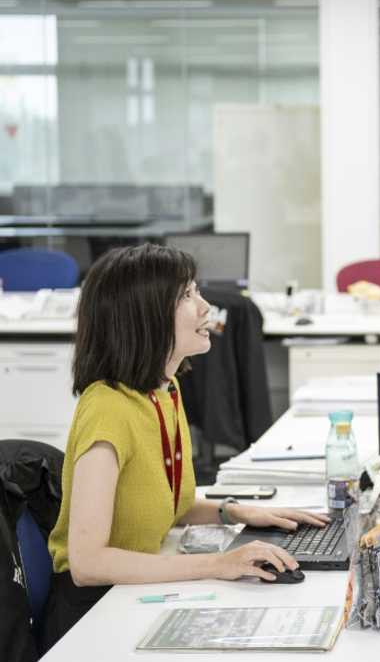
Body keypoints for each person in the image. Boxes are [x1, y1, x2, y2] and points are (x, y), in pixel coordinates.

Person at [42, 244, 328, 651]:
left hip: (133, 592)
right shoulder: (107, 410)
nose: (206, 307)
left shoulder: (164, 390)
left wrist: (233, 511)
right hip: (94, 614)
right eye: (188, 295)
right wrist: (218, 564)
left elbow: (165, 506)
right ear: (146, 314)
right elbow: (87, 564)